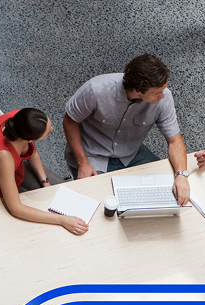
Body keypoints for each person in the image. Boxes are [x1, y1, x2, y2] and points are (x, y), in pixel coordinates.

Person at [63, 53, 190, 206]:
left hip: (131, 154)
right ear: (137, 90)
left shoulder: (164, 98)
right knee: (99, 203)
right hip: (92, 155)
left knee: (168, 187)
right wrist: (83, 163)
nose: (163, 96)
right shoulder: (95, 90)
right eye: (157, 93)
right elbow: (70, 121)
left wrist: (181, 175)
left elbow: (175, 140)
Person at [0, 108, 89, 235]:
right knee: (35, 225)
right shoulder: (3, 155)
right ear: (28, 139)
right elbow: (16, 208)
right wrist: (62, 220)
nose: (52, 129)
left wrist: (45, 182)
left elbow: (32, 152)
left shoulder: (22, 120)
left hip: (15, 167)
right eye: (48, 132)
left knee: (55, 190)